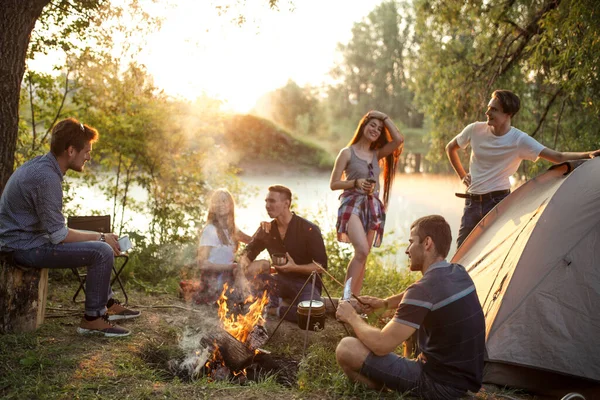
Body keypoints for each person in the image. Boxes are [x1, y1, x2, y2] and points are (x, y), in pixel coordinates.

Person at [0, 118, 140, 338]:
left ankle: (107, 303)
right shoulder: (46, 177)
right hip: (22, 247)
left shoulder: (45, 167)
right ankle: (93, 319)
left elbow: (55, 230)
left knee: (99, 244)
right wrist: (101, 237)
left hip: (29, 240)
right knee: (101, 251)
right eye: (86, 151)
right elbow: (59, 235)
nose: (89, 156)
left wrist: (99, 237)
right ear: (71, 150)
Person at [335, 215, 485, 399]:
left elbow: (381, 345)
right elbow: (422, 295)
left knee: (346, 348)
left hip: (438, 386)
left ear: (427, 243)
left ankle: (390, 394)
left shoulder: (423, 290)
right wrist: (385, 303)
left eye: (411, 242)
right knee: (414, 319)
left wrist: (351, 316)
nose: (407, 250)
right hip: (465, 382)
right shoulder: (459, 272)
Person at [446, 89, 600, 247]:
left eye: (494, 109)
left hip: (498, 203)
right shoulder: (474, 130)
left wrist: (589, 155)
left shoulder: (519, 140)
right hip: (472, 202)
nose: (487, 112)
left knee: (492, 251)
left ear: (508, 114)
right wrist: (462, 175)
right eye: (488, 107)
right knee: (461, 253)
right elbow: (450, 148)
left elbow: (557, 157)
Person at [330, 110, 404, 295]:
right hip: (352, 204)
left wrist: (384, 117)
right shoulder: (347, 153)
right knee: (361, 250)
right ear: (363, 124)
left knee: (363, 256)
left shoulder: (376, 154)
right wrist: (355, 183)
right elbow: (334, 183)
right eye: (372, 125)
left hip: (372, 206)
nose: (375, 130)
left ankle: (353, 300)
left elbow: (398, 140)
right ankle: (345, 299)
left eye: (379, 129)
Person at [239, 185, 328, 322]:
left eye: (272, 201)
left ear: (286, 203)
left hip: (306, 284)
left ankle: (276, 309)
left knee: (312, 315)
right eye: (266, 201)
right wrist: (244, 267)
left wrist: (295, 268)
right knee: (244, 297)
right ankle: (277, 302)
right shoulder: (266, 229)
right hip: (278, 282)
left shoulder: (309, 229)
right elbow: (248, 253)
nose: (267, 205)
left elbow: (320, 267)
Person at [192, 188, 252, 303]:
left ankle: (246, 300)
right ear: (212, 206)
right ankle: (242, 300)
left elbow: (253, 241)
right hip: (214, 281)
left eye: (224, 201)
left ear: (230, 205)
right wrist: (230, 267)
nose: (220, 204)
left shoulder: (232, 229)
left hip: (229, 276)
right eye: (217, 201)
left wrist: (265, 227)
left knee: (261, 267)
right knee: (239, 271)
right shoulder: (210, 230)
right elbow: (202, 264)